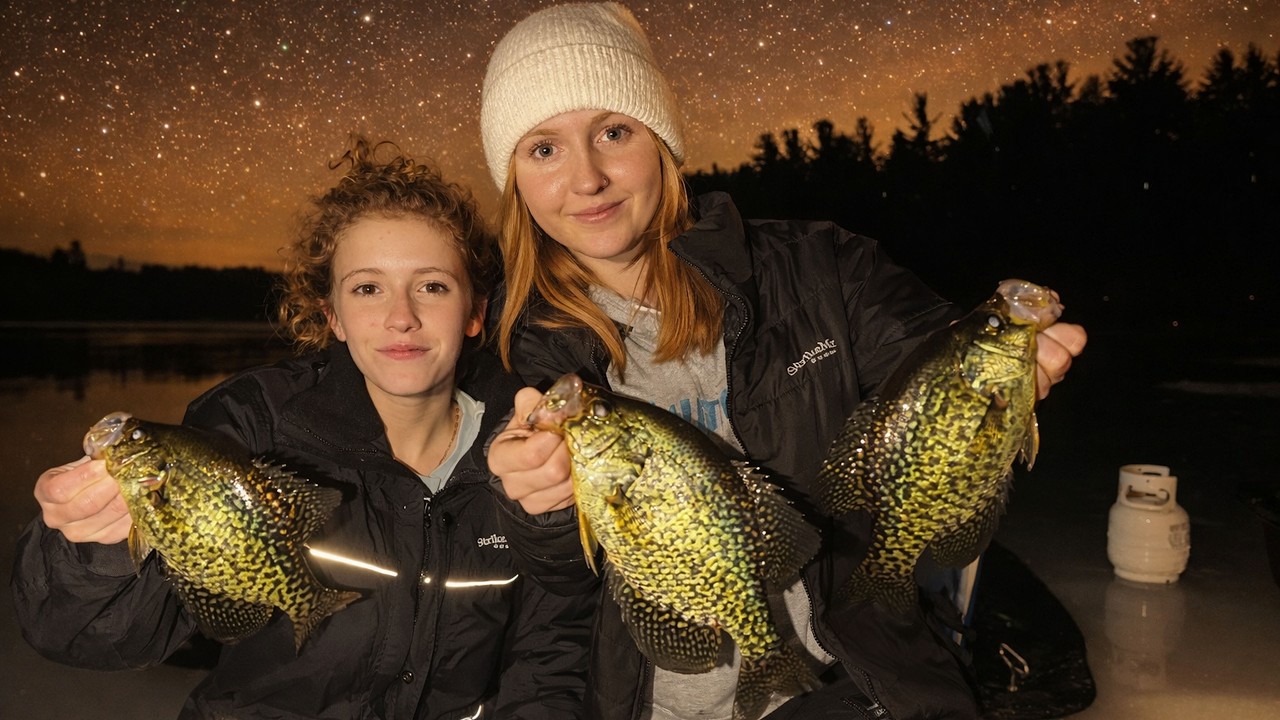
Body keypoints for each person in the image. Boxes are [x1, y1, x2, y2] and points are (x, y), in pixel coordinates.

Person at [478, 3, 1088, 720]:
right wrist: (537, 505)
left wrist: (992, 366)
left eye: (614, 131)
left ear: (664, 144)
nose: (587, 178)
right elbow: (559, 584)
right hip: (656, 699)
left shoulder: (820, 268)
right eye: (542, 149)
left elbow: (923, 347)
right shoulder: (511, 348)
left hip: (847, 678)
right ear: (512, 178)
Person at [11, 137, 591, 719]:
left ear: (474, 312)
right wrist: (93, 551)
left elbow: (550, 656)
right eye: (368, 288)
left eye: (432, 286)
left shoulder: (532, 454)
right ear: (332, 316)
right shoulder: (249, 428)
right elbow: (88, 635)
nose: (401, 316)